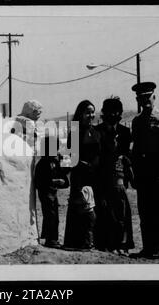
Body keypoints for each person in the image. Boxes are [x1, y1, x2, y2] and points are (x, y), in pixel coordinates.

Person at [129, 82, 159, 259]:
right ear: (137, 100)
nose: (145, 100)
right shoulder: (136, 121)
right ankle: (148, 247)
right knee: (145, 210)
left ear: (154, 97)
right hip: (143, 171)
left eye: (148, 96)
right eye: (141, 97)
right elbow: (136, 148)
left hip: (158, 170)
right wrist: (134, 171)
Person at [95, 96, 135, 255]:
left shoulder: (125, 133)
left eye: (116, 112)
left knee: (121, 212)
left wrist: (125, 162)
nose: (113, 115)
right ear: (104, 113)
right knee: (104, 211)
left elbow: (129, 155)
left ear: (120, 113)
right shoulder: (96, 132)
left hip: (119, 179)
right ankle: (106, 244)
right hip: (102, 178)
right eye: (110, 111)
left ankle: (122, 244)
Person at [63, 100, 102, 250]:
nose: (91, 115)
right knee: (79, 209)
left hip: (94, 176)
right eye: (87, 112)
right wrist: (81, 164)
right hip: (80, 176)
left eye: (93, 112)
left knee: (92, 210)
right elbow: (69, 157)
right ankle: (75, 243)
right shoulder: (74, 132)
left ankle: (90, 242)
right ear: (80, 113)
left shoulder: (96, 131)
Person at [34, 135, 69, 248]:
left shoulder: (55, 161)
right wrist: (53, 181)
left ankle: (51, 239)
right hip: (45, 192)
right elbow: (39, 181)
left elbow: (65, 172)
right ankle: (51, 240)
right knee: (50, 216)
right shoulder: (42, 163)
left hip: (52, 192)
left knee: (54, 216)